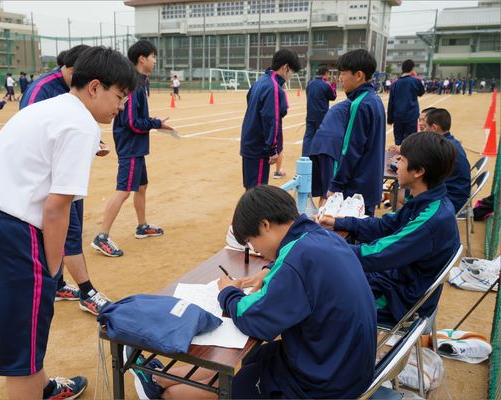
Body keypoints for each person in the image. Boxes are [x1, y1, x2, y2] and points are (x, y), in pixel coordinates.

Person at [0, 46, 137, 400]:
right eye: (120, 96)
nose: (121, 107)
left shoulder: (47, 107)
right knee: (21, 357)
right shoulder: (81, 124)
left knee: (19, 339)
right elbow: (57, 207)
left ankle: (44, 388)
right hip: (12, 234)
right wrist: (53, 271)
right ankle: (33, 388)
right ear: (95, 87)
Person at [128, 185, 377, 399]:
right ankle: (160, 377)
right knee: (255, 357)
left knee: (235, 380)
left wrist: (227, 292)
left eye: (250, 241)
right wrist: (272, 269)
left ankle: (160, 391)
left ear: (265, 225)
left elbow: (253, 318)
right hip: (344, 364)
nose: (255, 249)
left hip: (325, 383)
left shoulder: (296, 261)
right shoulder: (319, 236)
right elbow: (295, 270)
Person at [318, 132, 460, 324]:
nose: (395, 163)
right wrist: (339, 222)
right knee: (326, 279)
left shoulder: (430, 220)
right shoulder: (428, 200)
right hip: (396, 280)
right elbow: (386, 226)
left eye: (401, 159)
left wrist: (324, 247)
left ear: (418, 171)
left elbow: (377, 255)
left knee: (320, 299)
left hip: (399, 300)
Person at [20, 44, 109, 315]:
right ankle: (86, 291)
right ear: (72, 70)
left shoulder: (74, 94)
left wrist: (93, 143)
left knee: (69, 229)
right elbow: (34, 135)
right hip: (50, 180)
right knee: (66, 229)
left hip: (66, 171)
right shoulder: (41, 90)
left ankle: (57, 283)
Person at [91, 40, 172, 257]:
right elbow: (132, 122)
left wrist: (154, 122)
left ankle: (142, 226)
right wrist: (156, 123)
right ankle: (102, 236)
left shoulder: (140, 82)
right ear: (142, 59)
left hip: (137, 146)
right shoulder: (133, 84)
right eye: (153, 56)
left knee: (141, 186)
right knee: (124, 190)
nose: (155, 61)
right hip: (130, 145)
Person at [327, 49, 386, 216]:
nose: (340, 78)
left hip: (356, 190)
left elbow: (350, 149)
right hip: (371, 184)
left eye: (343, 73)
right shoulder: (375, 99)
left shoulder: (359, 104)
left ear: (359, 75)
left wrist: (336, 185)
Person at [239, 49, 300, 189]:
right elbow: (271, 118)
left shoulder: (259, 82)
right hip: (259, 146)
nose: (291, 76)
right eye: (292, 71)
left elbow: (250, 102)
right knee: (258, 191)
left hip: (249, 142)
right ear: (286, 67)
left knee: (251, 188)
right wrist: (272, 148)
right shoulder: (273, 87)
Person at [424, 108, 471, 214]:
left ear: (434, 127)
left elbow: (425, 173)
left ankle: (412, 222)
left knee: (400, 194)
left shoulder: (442, 148)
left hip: (451, 200)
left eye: (426, 126)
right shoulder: (451, 142)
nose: (425, 130)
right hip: (456, 194)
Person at [20, 45, 88, 108]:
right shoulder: (41, 89)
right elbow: (29, 116)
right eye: (87, 79)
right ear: (73, 71)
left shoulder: (70, 86)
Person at [387, 60, 425, 145]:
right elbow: (421, 93)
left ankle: (399, 152)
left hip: (398, 116)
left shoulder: (395, 83)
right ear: (412, 69)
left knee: (398, 139)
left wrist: (390, 119)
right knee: (410, 140)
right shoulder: (415, 81)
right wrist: (416, 77)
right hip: (411, 115)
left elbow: (391, 102)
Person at [302, 65, 337, 157]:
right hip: (322, 115)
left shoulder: (310, 83)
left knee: (308, 136)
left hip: (310, 115)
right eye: (328, 74)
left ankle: (305, 156)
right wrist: (334, 85)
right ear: (326, 73)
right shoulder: (326, 85)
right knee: (321, 136)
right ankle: (318, 156)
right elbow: (333, 97)